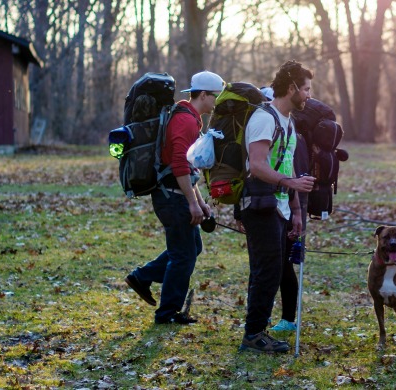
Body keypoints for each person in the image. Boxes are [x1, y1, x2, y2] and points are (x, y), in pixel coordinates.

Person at [125, 71, 224, 325]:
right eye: (216, 97)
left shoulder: (188, 118)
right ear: (203, 95)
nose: (217, 103)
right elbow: (179, 164)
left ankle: (142, 277)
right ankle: (166, 313)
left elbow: (190, 170)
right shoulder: (185, 121)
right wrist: (192, 203)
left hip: (176, 194)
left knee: (192, 249)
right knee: (183, 256)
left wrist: (201, 203)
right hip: (172, 197)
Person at [238, 61, 316, 353]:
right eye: (306, 89)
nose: (308, 95)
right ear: (292, 87)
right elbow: (256, 165)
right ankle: (253, 334)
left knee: (273, 269)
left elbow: (286, 165)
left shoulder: (289, 122)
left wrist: (295, 211)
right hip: (259, 203)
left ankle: (256, 331)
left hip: (280, 206)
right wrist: (291, 184)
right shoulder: (264, 118)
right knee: (266, 270)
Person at [257, 86, 311, 333]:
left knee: (281, 265)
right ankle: (267, 319)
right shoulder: (269, 124)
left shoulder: (288, 129)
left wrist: (297, 211)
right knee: (274, 266)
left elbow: (291, 169)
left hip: (286, 203)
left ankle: (287, 318)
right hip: (275, 203)